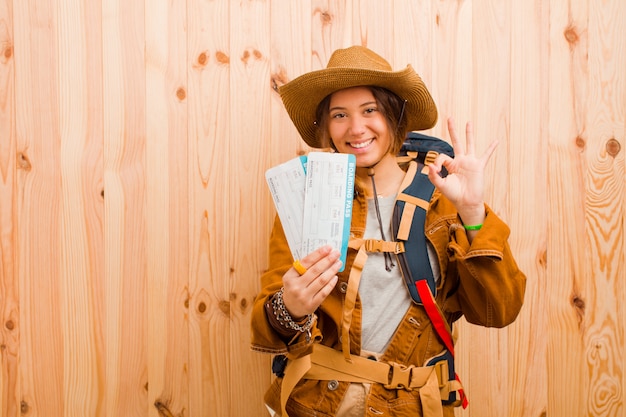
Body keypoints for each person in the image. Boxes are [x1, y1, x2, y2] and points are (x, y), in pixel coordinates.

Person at [251, 45, 526, 417]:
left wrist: (473, 211)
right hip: (322, 405)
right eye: (339, 115)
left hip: (416, 407)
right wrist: (290, 308)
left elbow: (499, 310)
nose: (356, 128)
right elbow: (270, 325)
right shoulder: (306, 196)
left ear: (394, 116)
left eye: (370, 110)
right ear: (326, 127)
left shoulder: (444, 197)